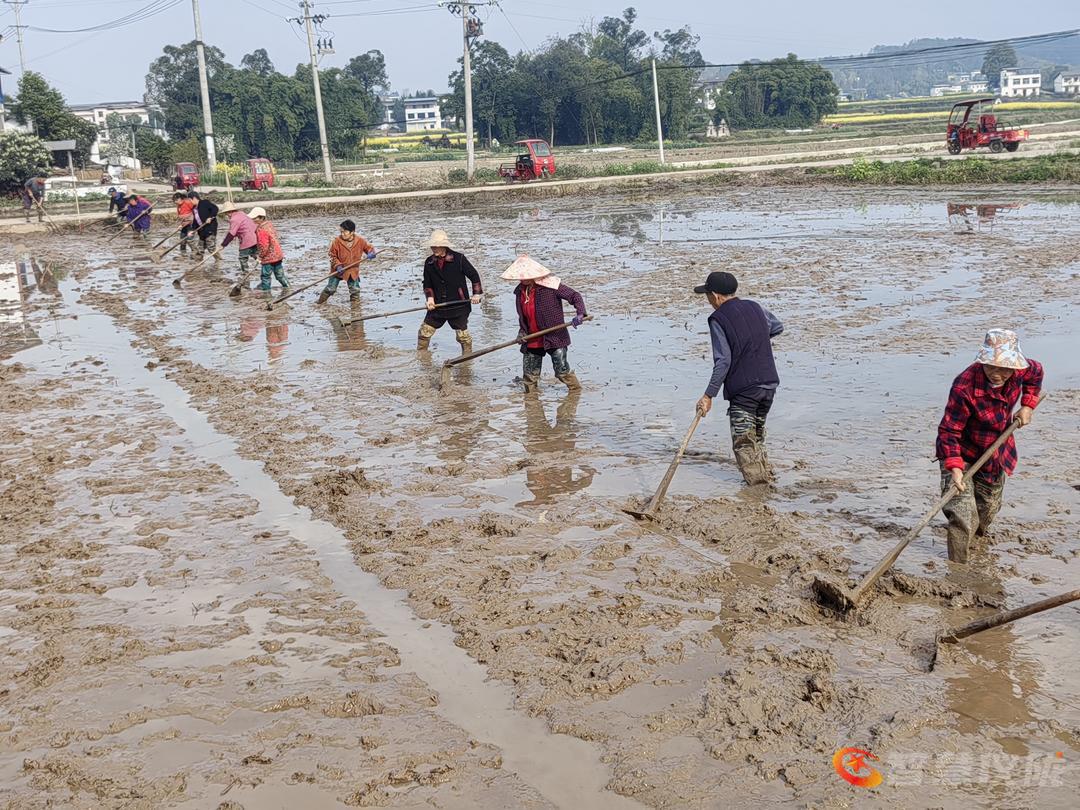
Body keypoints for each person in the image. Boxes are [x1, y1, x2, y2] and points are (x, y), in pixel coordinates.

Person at [936, 329, 1043, 564]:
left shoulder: (1020, 370)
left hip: (995, 451)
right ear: (982, 361)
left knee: (987, 509)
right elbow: (949, 431)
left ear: (1014, 366)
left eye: (1004, 368)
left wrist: (1028, 405)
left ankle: (974, 545)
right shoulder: (964, 387)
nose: (997, 374)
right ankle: (958, 569)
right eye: (991, 367)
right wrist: (954, 467)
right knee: (962, 516)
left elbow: (1036, 373)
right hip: (960, 453)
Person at [694, 271, 784, 486]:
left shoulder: (718, 318)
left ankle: (758, 491)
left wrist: (708, 395)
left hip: (745, 389)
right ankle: (767, 481)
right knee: (757, 437)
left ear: (715, 295)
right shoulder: (755, 307)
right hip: (768, 384)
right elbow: (777, 326)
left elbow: (723, 361)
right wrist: (753, 341)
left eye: (707, 295)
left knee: (744, 442)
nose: (708, 300)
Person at [500, 254, 586, 392]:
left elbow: (574, 296)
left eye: (525, 275)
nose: (522, 278)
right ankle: (531, 401)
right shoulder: (520, 292)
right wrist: (522, 332)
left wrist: (580, 313)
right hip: (532, 337)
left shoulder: (551, 286)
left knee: (562, 371)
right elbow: (523, 317)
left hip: (554, 336)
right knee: (529, 376)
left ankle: (576, 393)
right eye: (520, 276)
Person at [418, 229, 482, 353]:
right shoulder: (429, 262)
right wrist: (430, 299)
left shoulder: (459, 259)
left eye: (437, 246)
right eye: (432, 246)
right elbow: (427, 283)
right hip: (437, 306)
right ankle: (422, 357)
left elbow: (474, 276)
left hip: (458, 305)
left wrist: (476, 294)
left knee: (463, 337)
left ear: (444, 246)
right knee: (424, 333)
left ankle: (467, 359)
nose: (434, 248)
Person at [319, 219, 375, 304]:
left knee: (355, 290)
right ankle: (320, 303)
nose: (342, 234)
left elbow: (369, 248)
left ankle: (355, 307)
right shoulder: (336, 242)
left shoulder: (360, 241)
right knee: (331, 289)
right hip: (338, 270)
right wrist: (337, 265)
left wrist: (371, 253)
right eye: (341, 232)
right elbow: (332, 256)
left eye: (345, 232)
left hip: (352, 270)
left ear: (352, 232)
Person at [217, 202, 258, 288]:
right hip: (255, 237)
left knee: (242, 258)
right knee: (255, 254)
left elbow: (231, 234)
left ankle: (246, 274)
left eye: (226, 213)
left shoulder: (234, 219)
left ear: (229, 212)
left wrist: (223, 245)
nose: (227, 215)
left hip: (247, 239)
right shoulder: (242, 214)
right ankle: (266, 264)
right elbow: (242, 228)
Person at [250, 207, 288, 291]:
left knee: (265, 276)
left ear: (261, 218)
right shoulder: (269, 225)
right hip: (277, 255)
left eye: (255, 218)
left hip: (268, 257)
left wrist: (260, 256)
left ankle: (266, 292)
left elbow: (264, 246)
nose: (253, 220)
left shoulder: (261, 229)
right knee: (280, 275)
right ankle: (288, 287)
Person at [188, 191, 219, 259]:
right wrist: (192, 230)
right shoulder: (194, 209)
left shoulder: (205, 203)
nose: (190, 202)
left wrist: (210, 217)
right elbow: (195, 221)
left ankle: (219, 260)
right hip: (202, 231)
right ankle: (198, 261)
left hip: (210, 229)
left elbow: (215, 209)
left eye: (190, 200)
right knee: (200, 249)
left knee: (211, 247)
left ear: (194, 198)